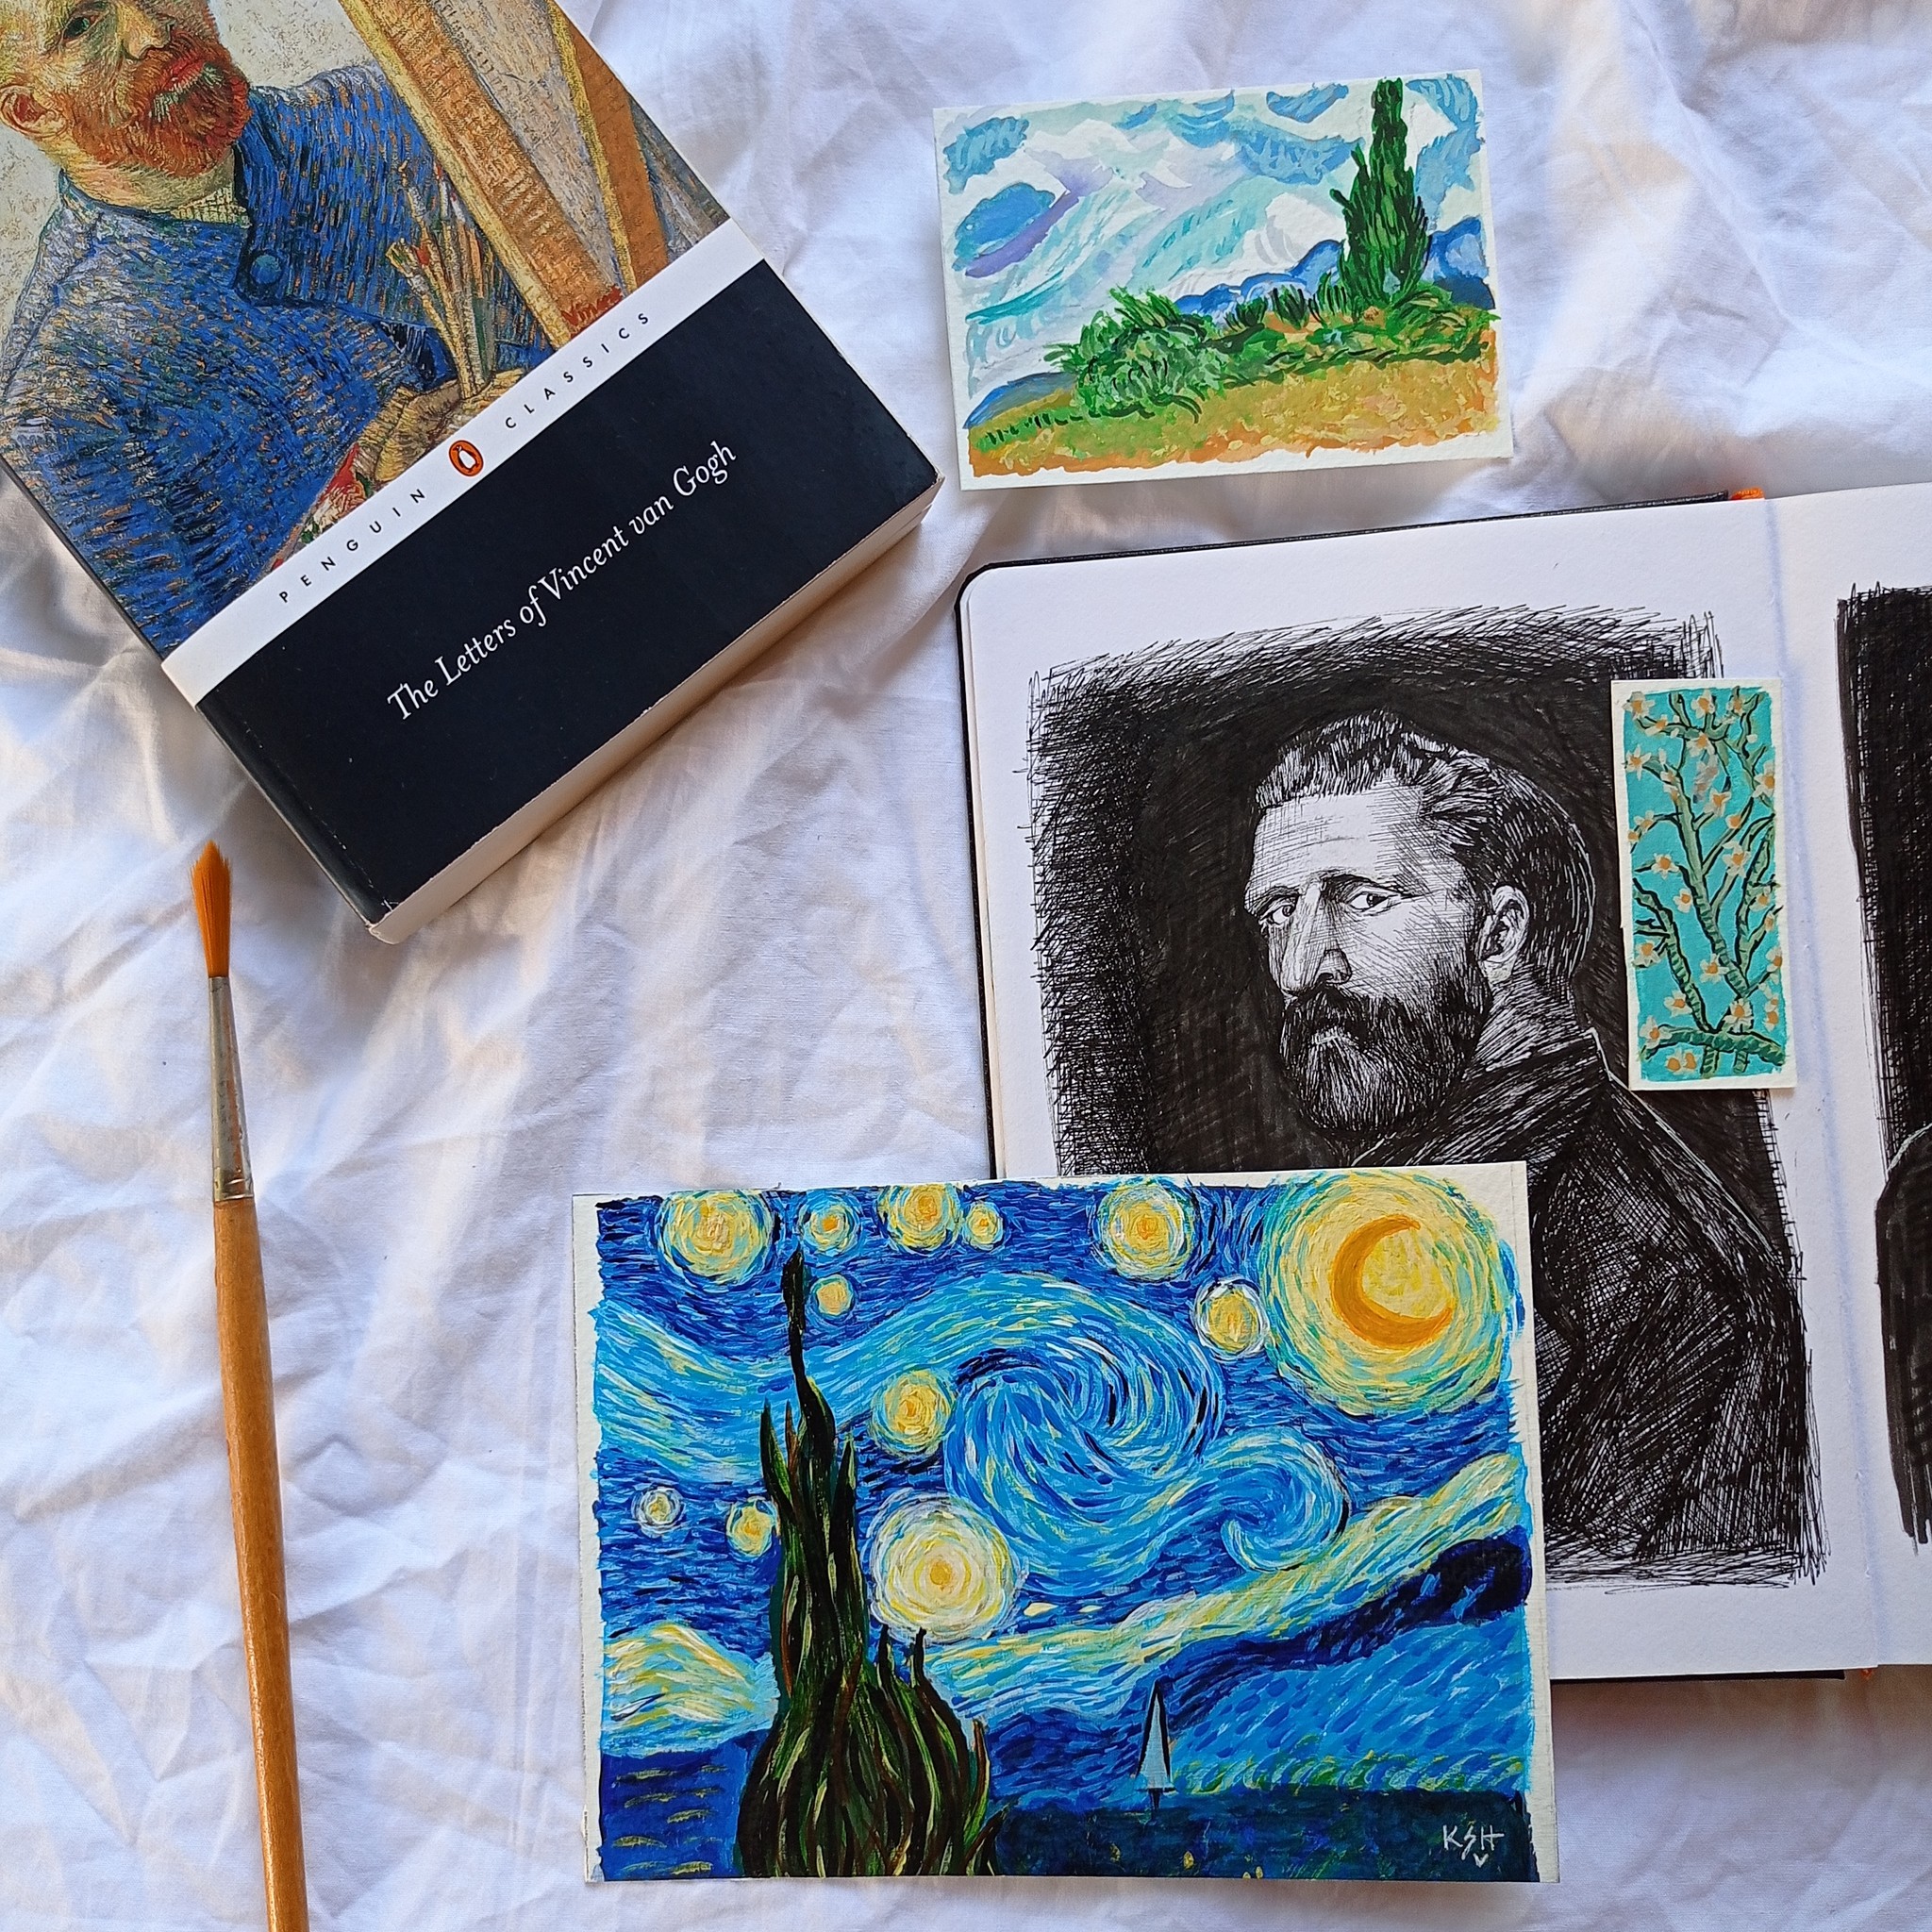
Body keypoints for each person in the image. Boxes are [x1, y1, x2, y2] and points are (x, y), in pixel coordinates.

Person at [1244, 709, 1814, 1575]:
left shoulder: (1668, 1280)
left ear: (1501, 934)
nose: (1299, 967)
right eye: (1279, 913)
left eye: (1362, 898)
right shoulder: (1401, 1203)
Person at [0, 0, 542, 651]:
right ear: (32, 110)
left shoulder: (391, 112)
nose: (153, 29)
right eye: (82, 26)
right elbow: (229, 680)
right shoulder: (57, 410)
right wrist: (371, 506)